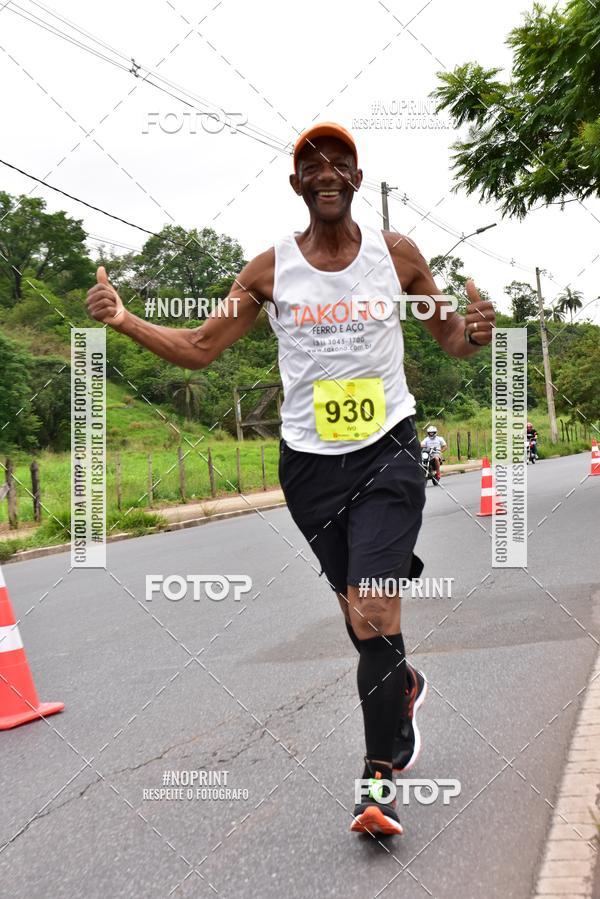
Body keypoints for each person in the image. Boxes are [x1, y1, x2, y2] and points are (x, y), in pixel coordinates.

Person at [86, 121, 495, 836]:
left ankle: (378, 781)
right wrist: (123, 319)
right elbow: (200, 347)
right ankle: (401, 686)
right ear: (297, 183)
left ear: (357, 180)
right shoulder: (269, 271)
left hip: (390, 450)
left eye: (341, 162)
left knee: (373, 610)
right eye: (313, 164)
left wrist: (477, 331)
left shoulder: (397, 257)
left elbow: (451, 337)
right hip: (310, 468)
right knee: (360, 619)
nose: (327, 171)